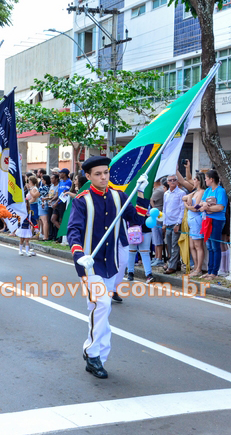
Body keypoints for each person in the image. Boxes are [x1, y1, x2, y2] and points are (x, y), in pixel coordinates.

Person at [67, 156, 148, 379]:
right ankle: (91, 353)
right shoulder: (82, 200)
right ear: (88, 176)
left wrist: (140, 193)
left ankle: (99, 357)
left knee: (103, 309)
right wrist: (78, 254)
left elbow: (137, 220)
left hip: (111, 262)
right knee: (102, 304)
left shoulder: (119, 195)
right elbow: (73, 230)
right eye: (98, 174)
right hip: (89, 264)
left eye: (106, 173)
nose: (104, 177)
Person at [199, 169, 228, 279]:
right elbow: (201, 203)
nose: (205, 180)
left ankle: (214, 272)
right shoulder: (207, 190)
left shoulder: (220, 191)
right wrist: (206, 206)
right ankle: (209, 270)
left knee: (215, 246)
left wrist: (207, 208)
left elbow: (220, 207)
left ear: (211, 179)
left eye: (206, 178)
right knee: (209, 246)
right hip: (206, 220)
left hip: (216, 220)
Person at [183, 171, 206, 277]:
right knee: (192, 245)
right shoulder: (195, 192)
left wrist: (187, 206)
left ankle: (199, 268)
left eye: (195, 179)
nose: (193, 181)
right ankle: (196, 266)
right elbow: (184, 198)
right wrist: (190, 196)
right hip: (191, 219)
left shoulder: (202, 192)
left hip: (196, 219)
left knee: (198, 245)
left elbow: (196, 207)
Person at [162, 176, 186, 274]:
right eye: (170, 180)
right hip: (168, 222)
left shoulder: (181, 193)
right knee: (169, 244)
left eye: (174, 180)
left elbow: (182, 209)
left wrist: (178, 223)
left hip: (176, 222)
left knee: (175, 245)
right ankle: (176, 263)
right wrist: (164, 223)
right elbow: (164, 208)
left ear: (177, 181)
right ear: (167, 182)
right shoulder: (166, 193)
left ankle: (172, 266)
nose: (172, 182)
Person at [149, 178, 165, 267]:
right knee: (155, 237)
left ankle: (159, 258)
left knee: (158, 237)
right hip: (155, 215)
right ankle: (156, 257)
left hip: (158, 215)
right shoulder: (156, 189)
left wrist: (153, 208)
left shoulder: (159, 190)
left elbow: (151, 199)